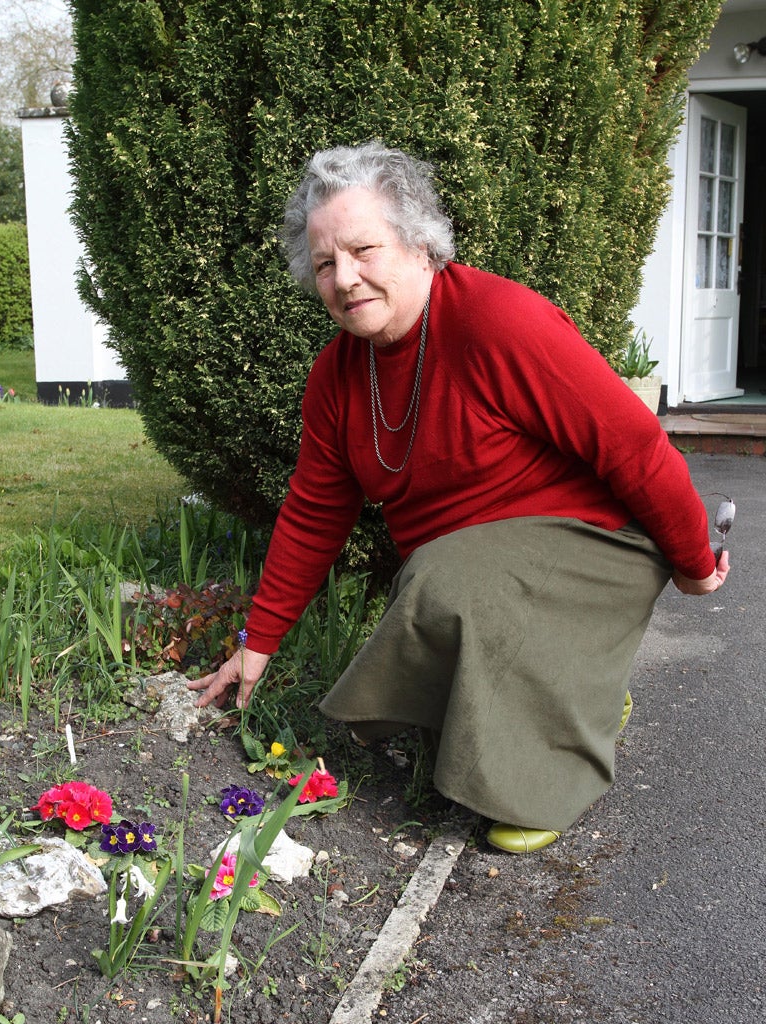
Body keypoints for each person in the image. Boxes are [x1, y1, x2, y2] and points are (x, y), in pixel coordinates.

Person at [189, 141, 729, 854]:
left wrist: (693, 562)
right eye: (325, 264)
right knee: (445, 583)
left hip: (600, 541)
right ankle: (586, 693)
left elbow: (631, 446)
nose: (345, 278)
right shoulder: (336, 377)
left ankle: (547, 783)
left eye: (363, 249)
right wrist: (256, 644)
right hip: (478, 565)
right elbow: (315, 513)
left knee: (446, 581)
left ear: (419, 245)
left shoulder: (498, 322)